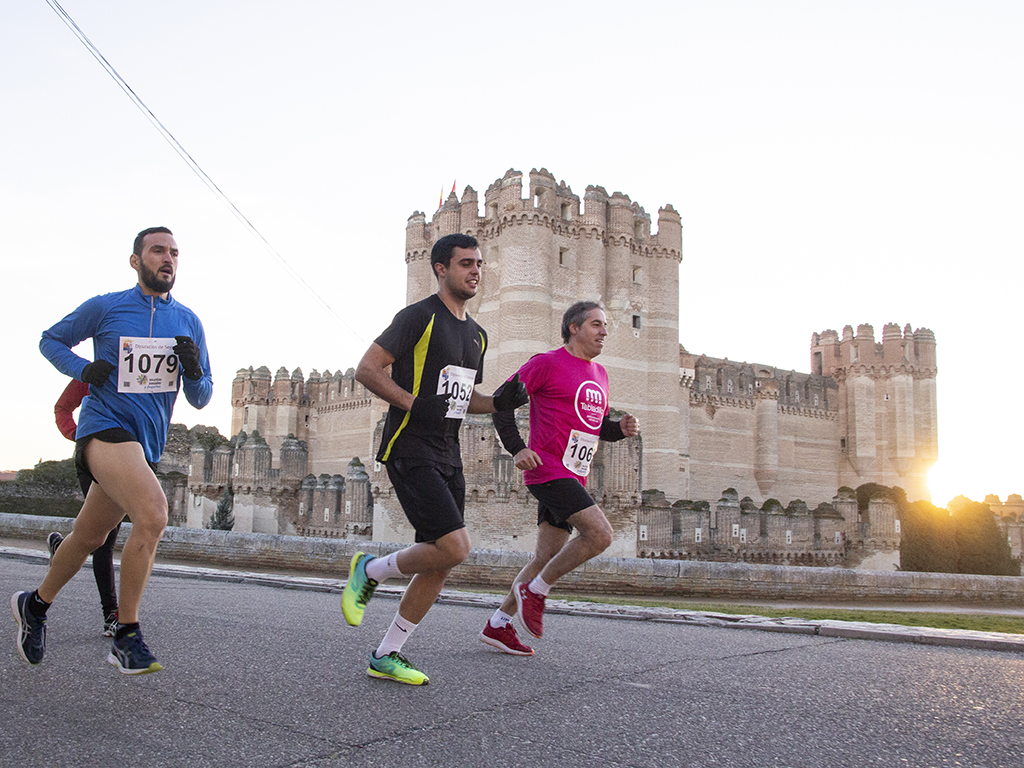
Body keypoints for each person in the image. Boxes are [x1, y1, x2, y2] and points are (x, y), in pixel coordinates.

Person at [12, 226, 213, 675]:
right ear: (136, 260)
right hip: (103, 429)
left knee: (89, 536)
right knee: (155, 512)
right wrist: (85, 369)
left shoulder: (188, 321)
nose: (168, 259)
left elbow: (201, 396)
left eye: (175, 253)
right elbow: (50, 339)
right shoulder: (106, 307)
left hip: (147, 444)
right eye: (158, 250)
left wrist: (195, 368)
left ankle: (35, 605)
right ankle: (126, 635)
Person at [342, 233, 528, 685]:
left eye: (479, 264)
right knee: (456, 546)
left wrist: (503, 402)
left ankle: (387, 654)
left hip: (449, 452)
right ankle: (370, 569)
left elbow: (464, 401)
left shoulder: (478, 336)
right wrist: (412, 403)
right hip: (409, 446)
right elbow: (367, 369)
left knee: (441, 560)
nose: (475, 271)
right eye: (466, 263)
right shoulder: (418, 317)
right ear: (441, 269)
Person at [480, 301, 640, 655]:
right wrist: (517, 448)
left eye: (605, 326)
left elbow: (591, 427)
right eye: (597, 324)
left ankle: (497, 626)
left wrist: (619, 430)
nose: (604, 332)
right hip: (547, 470)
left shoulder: (599, 374)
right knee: (599, 534)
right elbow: (501, 403)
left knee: (544, 556)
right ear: (574, 327)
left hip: (574, 474)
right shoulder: (546, 363)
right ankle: (535, 591)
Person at [48, 379, 122, 637]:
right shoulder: (89, 374)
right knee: (105, 537)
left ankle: (63, 550)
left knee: (97, 533)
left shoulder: (134, 371)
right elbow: (62, 408)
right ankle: (112, 614)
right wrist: (77, 435)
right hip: (93, 456)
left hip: (127, 458)